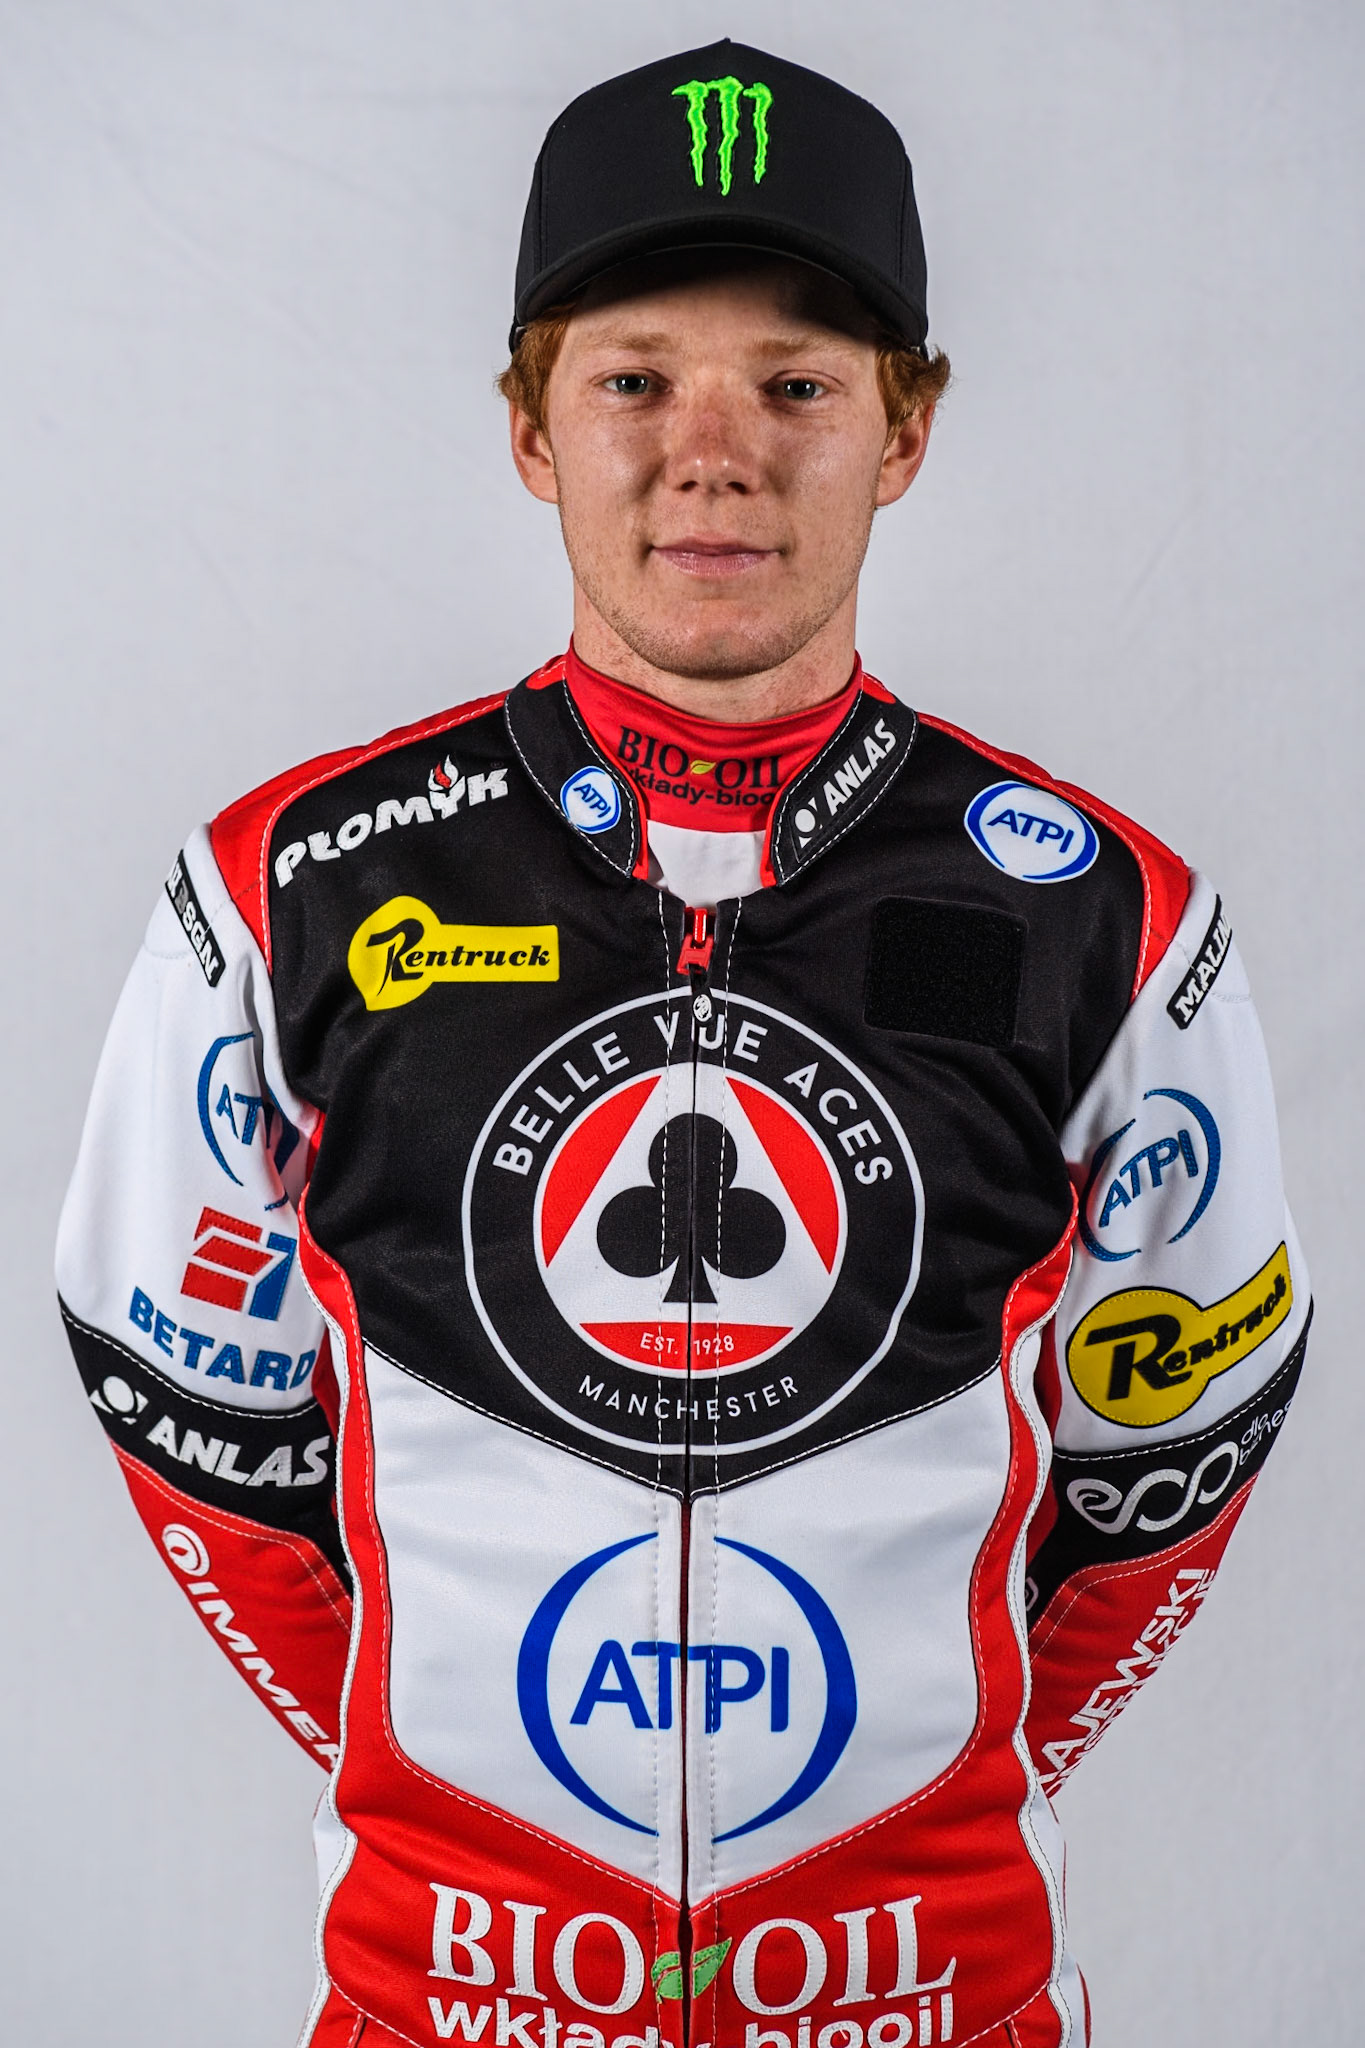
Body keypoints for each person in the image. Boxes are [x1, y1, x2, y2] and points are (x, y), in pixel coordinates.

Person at [56, 39, 1309, 2048]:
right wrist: (454, 1813)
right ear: (528, 430)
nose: (709, 452)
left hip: (935, 2002)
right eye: (634, 379)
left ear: (902, 429)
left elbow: (1170, 1448)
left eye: (796, 385)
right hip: (436, 2005)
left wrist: (903, 1826)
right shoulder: (279, 889)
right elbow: (188, 1413)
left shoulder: (1111, 917)